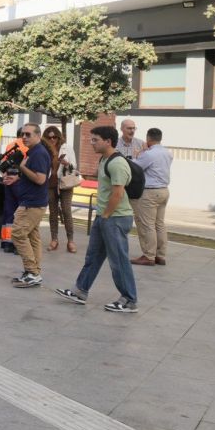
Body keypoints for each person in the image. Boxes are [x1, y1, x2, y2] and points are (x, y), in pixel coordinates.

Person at [55, 125, 139, 313]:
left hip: (115, 218)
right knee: (93, 257)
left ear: (108, 141)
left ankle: (129, 300)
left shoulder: (117, 163)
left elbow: (118, 194)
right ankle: (80, 291)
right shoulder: (104, 159)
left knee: (118, 261)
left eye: (95, 140)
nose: (91, 143)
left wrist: (106, 215)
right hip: (104, 217)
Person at [4, 123, 51, 288]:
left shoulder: (38, 153)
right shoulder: (33, 152)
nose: (24, 137)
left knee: (17, 234)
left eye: (28, 134)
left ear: (38, 135)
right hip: (33, 201)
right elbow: (34, 176)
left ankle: (32, 272)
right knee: (32, 237)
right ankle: (34, 272)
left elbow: (40, 179)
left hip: (32, 203)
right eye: (23, 134)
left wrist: (22, 168)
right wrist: (18, 177)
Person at [132, 127, 172, 266]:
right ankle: (160, 255)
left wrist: (138, 154)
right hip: (164, 190)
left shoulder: (149, 154)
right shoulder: (167, 153)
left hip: (150, 192)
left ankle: (149, 255)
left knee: (147, 224)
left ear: (148, 138)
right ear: (160, 138)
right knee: (159, 224)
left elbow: (136, 168)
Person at [42, 125, 80, 254]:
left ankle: (71, 241)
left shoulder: (66, 148)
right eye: (49, 137)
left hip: (65, 183)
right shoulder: (44, 149)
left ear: (59, 137)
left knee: (66, 211)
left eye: (55, 137)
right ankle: (54, 240)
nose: (52, 140)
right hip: (50, 183)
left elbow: (74, 166)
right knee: (53, 212)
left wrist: (67, 164)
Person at [0, 129, 28, 254]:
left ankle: (7, 243)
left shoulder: (10, 146)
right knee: (21, 213)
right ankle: (18, 244)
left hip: (8, 182)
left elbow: (3, 164)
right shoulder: (28, 147)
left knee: (9, 211)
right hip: (20, 182)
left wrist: (5, 177)